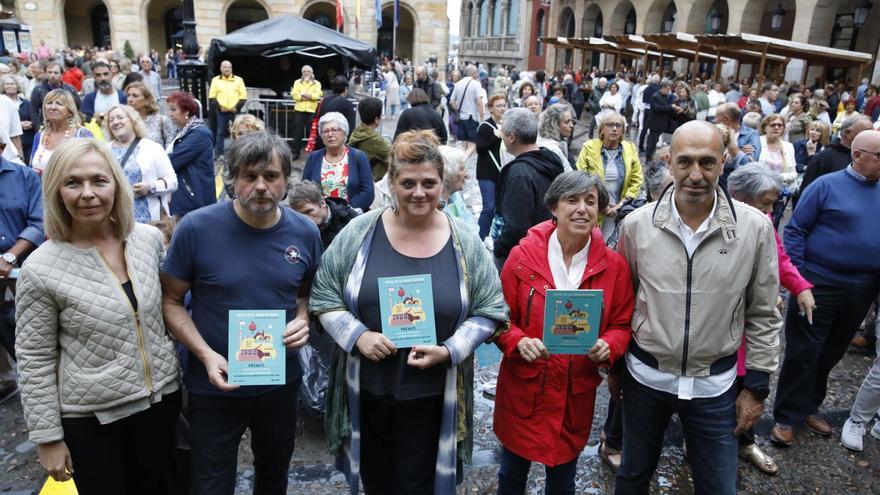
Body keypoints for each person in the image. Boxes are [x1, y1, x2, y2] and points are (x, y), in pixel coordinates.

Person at [309, 129, 508, 495]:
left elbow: (490, 309)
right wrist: (358, 336)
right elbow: (323, 296)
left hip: (433, 394)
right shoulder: (359, 233)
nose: (419, 192)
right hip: (367, 391)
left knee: (419, 485)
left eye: (429, 182)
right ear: (392, 183)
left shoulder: (465, 240)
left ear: (442, 183)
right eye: (409, 183)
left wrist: (450, 350)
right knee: (378, 483)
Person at [614, 121, 781, 495]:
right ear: (669, 162)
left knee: (720, 486)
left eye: (707, 163)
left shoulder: (754, 228)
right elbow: (622, 301)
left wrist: (756, 385)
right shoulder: (637, 225)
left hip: (714, 386)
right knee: (632, 475)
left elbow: (764, 312)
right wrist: (614, 367)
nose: (695, 174)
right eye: (685, 162)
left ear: (724, 163)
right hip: (646, 378)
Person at [16, 138, 182, 494]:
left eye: (98, 180)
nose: (87, 193)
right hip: (94, 420)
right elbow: (34, 358)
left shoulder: (148, 240)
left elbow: (170, 310)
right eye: (73, 182)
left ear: (116, 185)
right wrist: (47, 438)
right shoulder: (41, 268)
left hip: (161, 404)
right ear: (56, 191)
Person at [161, 131, 319, 494]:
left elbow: (306, 294)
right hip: (214, 385)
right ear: (233, 180)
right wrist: (205, 355)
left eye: (271, 176)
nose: (260, 186)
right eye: (250, 177)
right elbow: (170, 301)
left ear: (285, 182)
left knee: (274, 475)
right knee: (210, 483)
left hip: (279, 384)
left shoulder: (305, 232)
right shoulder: (197, 228)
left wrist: (303, 318)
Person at [493, 171, 633, 494]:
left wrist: (609, 345)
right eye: (572, 200)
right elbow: (499, 319)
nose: (582, 209)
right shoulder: (521, 258)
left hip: (573, 397)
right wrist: (518, 341)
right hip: (524, 390)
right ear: (554, 207)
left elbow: (622, 325)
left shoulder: (614, 267)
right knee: (511, 476)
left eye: (590, 201)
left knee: (562, 482)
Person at [771, 130, 880, 447]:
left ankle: (809, 406)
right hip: (820, 282)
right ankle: (786, 416)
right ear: (858, 155)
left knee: (833, 348)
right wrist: (801, 278)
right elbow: (795, 231)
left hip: (862, 287)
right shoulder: (826, 186)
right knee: (804, 350)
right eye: (879, 156)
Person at [726, 163, 816, 475]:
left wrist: (800, 286)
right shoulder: (717, 221)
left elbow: (780, 259)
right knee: (717, 391)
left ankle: (745, 440)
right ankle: (703, 443)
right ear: (739, 197)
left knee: (751, 383)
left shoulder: (763, 223)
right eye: (765, 203)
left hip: (751, 328)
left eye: (774, 204)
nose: (771, 210)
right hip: (721, 323)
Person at [492, 108, 565, 267]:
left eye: (503, 133)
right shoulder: (551, 158)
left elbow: (516, 226)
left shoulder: (519, 174)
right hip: (548, 246)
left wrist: (499, 248)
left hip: (523, 256)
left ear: (511, 137)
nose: (501, 137)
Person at [0, 134, 43, 401]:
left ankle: (41, 383)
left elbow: (38, 222)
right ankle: (7, 382)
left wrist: (10, 257)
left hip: (24, 264)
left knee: (31, 329)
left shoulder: (24, 177)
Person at [574, 112, 644, 239]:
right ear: (602, 128)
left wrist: (620, 205)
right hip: (594, 207)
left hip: (619, 209)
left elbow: (636, 179)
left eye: (618, 125)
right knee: (592, 242)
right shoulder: (589, 147)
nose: (614, 129)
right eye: (610, 125)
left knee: (613, 244)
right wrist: (601, 204)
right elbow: (581, 177)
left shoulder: (630, 148)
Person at [103, 105, 177, 223]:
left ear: (132, 120)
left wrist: (151, 187)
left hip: (148, 219)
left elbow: (173, 181)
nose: (115, 122)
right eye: (111, 120)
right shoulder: (104, 151)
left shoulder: (151, 147)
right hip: (116, 220)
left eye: (120, 117)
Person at [302, 112, 374, 211]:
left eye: (334, 130)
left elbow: (368, 191)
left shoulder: (359, 157)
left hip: (351, 216)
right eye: (325, 131)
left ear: (344, 133)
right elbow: (305, 189)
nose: (330, 134)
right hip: (321, 217)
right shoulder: (314, 157)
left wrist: (346, 211)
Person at [165, 91, 215, 218]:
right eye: (169, 110)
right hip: (187, 196)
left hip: (195, 199)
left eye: (174, 110)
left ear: (186, 111)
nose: (170, 114)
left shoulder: (199, 134)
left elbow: (173, 161)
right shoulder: (181, 132)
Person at [800, 114, 872, 192]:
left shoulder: (871, 157)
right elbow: (808, 193)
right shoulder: (823, 158)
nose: (873, 136)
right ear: (848, 133)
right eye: (867, 132)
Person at [30, 89, 93, 174]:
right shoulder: (39, 136)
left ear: (70, 111)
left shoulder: (81, 135)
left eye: (59, 104)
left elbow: (92, 167)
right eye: (49, 103)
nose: (53, 107)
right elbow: (31, 167)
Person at [475, 93, 507, 239]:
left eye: (503, 105)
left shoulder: (505, 125)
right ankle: (480, 237)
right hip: (486, 173)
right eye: (498, 106)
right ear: (490, 108)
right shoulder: (485, 127)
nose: (502, 108)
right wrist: (495, 136)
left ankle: (494, 235)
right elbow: (480, 149)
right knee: (489, 207)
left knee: (499, 208)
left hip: (501, 173)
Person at [208, 60, 247, 157]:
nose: (227, 69)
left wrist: (237, 107)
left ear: (231, 69)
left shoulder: (239, 80)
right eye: (225, 67)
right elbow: (212, 97)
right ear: (221, 68)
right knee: (220, 132)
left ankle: (237, 152)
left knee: (238, 132)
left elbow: (243, 96)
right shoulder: (215, 80)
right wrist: (220, 107)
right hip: (221, 111)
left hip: (235, 111)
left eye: (229, 67)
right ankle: (218, 153)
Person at [437, 144, 479, 232]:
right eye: (462, 169)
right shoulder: (437, 206)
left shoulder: (455, 196)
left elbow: (472, 224)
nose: (466, 174)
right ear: (448, 174)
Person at [348, 97, 391, 182]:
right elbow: (395, 157)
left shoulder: (358, 132)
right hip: (370, 182)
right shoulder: (375, 140)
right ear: (376, 119)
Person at [28, 61, 81, 131]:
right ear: (45, 73)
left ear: (61, 75)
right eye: (50, 72)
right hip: (46, 126)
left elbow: (77, 108)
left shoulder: (70, 89)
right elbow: (34, 111)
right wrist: (39, 128)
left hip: (68, 126)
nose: (53, 75)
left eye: (56, 73)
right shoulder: (38, 90)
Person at [125, 81, 175, 148]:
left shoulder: (161, 121)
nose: (130, 99)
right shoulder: (125, 122)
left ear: (147, 100)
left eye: (135, 96)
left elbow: (171, 148)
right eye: (128, 95)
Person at [313, 75, 357, 151]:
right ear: (346, 89)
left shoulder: (323, 101)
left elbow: (315, 119)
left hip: (322, 141)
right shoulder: (348, 104)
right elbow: (351, 128)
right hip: (338, 144)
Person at [449, 65, 484, 158]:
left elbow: (451, 102)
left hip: (460, 118)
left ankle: (460, 168)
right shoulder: (476, 84)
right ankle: (461, 163)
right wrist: (482, 117)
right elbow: (479, 102)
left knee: (463, 145)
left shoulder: (458, 84)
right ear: (473, 73)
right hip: (472, 118)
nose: (477, 74)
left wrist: (457, 110)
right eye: (476, 72)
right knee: (473, 145)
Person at [289, 65, 322, 160]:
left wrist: (307, 96)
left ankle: (316, 153)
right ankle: (295, 153)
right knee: (297, 133)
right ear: (302, 73)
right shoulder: (297, 82)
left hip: (312, 111)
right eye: (304, 71)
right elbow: (295, 95)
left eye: (308, 71)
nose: (306, 73)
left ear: (312, 73)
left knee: (314, 133)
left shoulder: (317, 83)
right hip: (299, 111)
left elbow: (317, 96)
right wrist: (307, 97)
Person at [2, 74, 34, 163]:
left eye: (12, 83)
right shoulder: (3, 103)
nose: (10, 86)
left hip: (27, 140)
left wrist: (30, 124)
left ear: (17, 86)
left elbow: (34, 118)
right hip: (8, 143)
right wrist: (18, 125)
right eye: (7, 84)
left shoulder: (26, 103)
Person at [536, 102, 574, 168]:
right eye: (567, 122)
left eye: (571, 121)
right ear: (554, 124)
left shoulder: (559, 141)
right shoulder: (552, 150)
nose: (571, 125)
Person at [644, 81, 673, 161]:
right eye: (667, 89)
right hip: (655, 123)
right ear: (663, 88)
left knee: (654, 140)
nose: (668, 91)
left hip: (659, 123)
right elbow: (657, 108)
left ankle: (650, 155)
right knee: (652, 141)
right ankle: (649, 157)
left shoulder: (663, 96)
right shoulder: (656, 96)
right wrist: (670, 107)